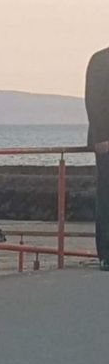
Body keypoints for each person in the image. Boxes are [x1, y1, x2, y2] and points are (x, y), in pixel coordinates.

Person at [85, 46, 109, 271]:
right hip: (107, 142)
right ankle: (107, 254)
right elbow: (93, 100)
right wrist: (101, 136)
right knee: (107, 196)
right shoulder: (101, 59)